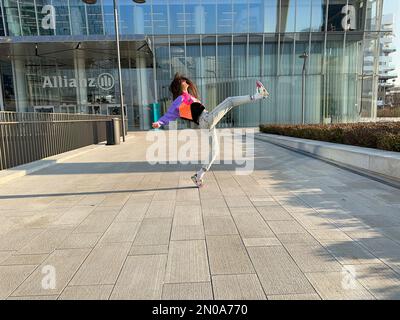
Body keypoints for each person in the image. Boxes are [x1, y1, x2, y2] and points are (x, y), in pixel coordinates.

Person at [152, 73, 269, 187]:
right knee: (230, 101)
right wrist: (159, 122)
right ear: (179, 85)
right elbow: (169, 114)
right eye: (182, 81)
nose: (185, 81)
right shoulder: (179, 99)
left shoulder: (189, 97)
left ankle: (198, 176)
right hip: (205, 120)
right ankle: (258, 95)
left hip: (206, 122)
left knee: (215, 150)